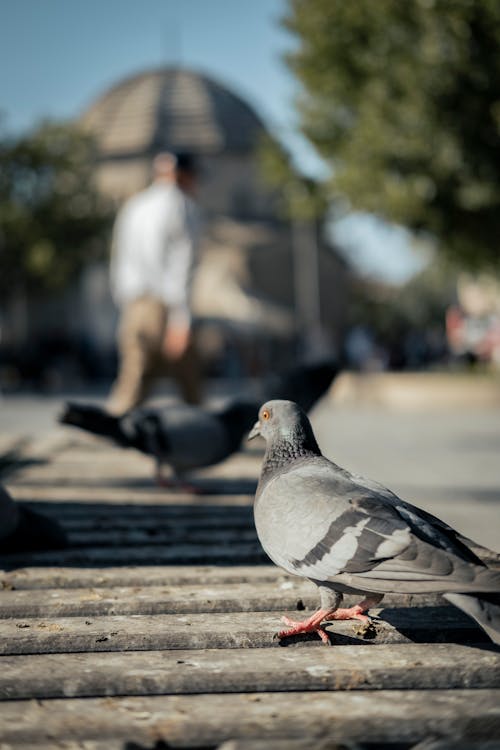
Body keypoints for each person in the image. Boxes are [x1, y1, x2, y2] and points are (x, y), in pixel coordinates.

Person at [106, 152, 202, 415]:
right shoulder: (182, 205)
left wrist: (124, 300)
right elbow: (183, 266)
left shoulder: (134, 206)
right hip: (164, 305)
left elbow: (120, 256)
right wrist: (182, 320)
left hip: (134, 302)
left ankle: (113, 423)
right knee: (187, 376)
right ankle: (207, 432)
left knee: (134, 372)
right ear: (183, 174)